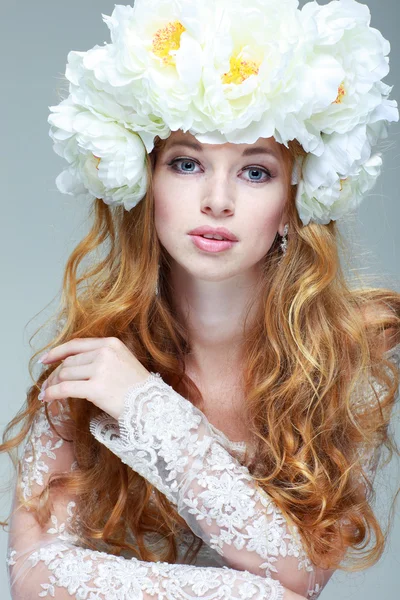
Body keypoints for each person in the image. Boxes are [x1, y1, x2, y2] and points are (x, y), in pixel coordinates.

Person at [2, 1, 400, 598]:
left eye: (256, 172)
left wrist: (144, 408)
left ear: (294, 202)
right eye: (187, 163)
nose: (217, 200)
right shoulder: (100, 354)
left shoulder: (352, 356)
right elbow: (33, 572)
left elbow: (298, 574)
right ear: (147, 183)